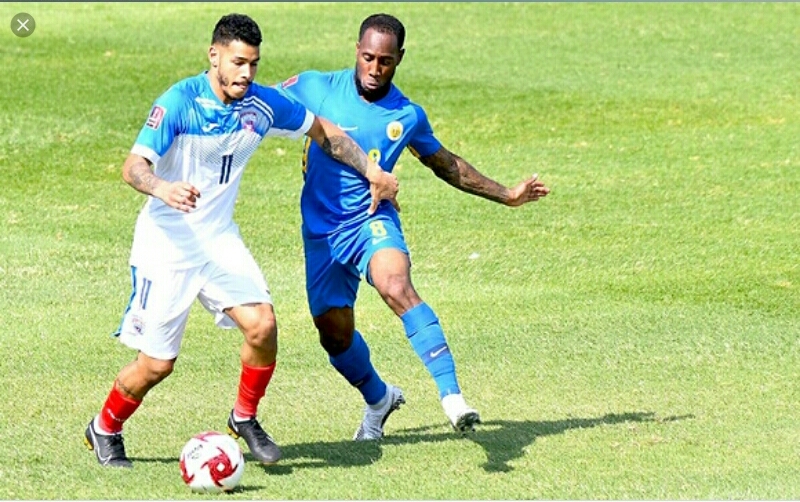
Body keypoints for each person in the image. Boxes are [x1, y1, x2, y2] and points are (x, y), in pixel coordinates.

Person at [83, 13, 399, 468]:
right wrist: (163, 189)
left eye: (253, 64)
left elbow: (324, 130)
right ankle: (104, 427)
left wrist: (373, 172)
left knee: (263, 326)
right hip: (166, 244)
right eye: (237, 63)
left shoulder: (262, 105)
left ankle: (244, 418)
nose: (246, 74)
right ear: (214, 56)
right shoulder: (179, 102)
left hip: (217, 241)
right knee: (156, 365)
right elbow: (133, 167)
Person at [275, 13, 550, 441]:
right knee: (333, 334)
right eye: (368, 57)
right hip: (322, 234)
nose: (374, 68)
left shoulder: (407, 114)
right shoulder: (314, 86)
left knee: (395, 285)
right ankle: (379, 399)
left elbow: (448, 165)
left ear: (399, 58)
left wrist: (507, 195)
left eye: (385, 60)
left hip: (371, 219)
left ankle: (452, 397)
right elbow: (258, 105)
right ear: (356, 51)